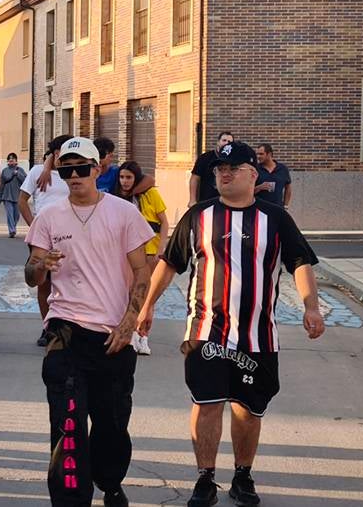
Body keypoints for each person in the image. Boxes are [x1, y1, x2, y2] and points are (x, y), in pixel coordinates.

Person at [137, 142, 324, 507]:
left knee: (247, 410)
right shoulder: (198, 216)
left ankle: (242, 475)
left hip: (258, 336)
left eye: (233, 168)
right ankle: (205, 478)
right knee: (206, 404)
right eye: (219, 169)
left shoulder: (276, 218)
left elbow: (300, 262)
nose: (224, 173)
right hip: (206, 332)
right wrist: (147, 306)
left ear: (253, 174)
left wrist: (311, 308)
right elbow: (170, 263)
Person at [24, 137, 153, 507]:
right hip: (66, 331)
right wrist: (39, 266)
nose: (75, 175)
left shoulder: (123, 213)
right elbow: (32, 274)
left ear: (99, 169)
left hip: (113, 335)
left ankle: (110, 483)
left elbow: (141, 271)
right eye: (67, 169)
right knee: (68, 425)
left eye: (83, 168)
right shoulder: (49, 217)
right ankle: (70, 500)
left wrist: (129, 323)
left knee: (112, 423)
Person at [20, 135, 72, 347]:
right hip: (43, 235)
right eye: (58, 152)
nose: (61, 156)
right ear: (53, 153)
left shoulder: (74, 174)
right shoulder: (36, 172)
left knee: (68, 281)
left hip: (70, 235)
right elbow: (22, 201)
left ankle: (68, 325)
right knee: (44, 283)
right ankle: (47, 327)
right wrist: (34, 226)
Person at [112, 161, 169, 357]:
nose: (125, 181)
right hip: (128, 251)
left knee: (146, 296)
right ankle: (130, 332)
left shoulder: (150, 194)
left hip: (150, 251)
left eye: (129, 177)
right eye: (122, 177)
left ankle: (143, 335)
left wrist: (162, 246)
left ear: (136, 178)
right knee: (128, 293)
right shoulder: (118, 198)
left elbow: (164, 221)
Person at [189, 132, 235, 207]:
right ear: (218, 142)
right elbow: (195, 178)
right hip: (206, 199)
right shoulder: (204, 158)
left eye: (229, 142)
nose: (226, 143)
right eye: (224, 140)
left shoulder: (234, 160)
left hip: (227, 201)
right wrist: (192, 200)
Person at [254, 143, 292, 208]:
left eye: (261, 154)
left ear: (269, 154)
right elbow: (247, 191)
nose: (258, 157)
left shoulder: (282, 168)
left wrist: (286, 205)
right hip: (260, 209)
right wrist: (259, 187)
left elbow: (288, 187)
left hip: (278, 208)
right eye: (257, 154)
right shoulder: (255, 169)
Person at [0, 153, 27, 238]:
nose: (11, 161)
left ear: (16, 161)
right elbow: (2, 183)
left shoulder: (21, 170)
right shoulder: (5, 171)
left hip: (18, 195)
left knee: (16, 215)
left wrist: (17, 174)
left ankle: (13, 226)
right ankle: (11, 230)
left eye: (13, 160)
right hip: (7, 196)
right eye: (9, 160)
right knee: (9, 214)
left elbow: (25, 181)